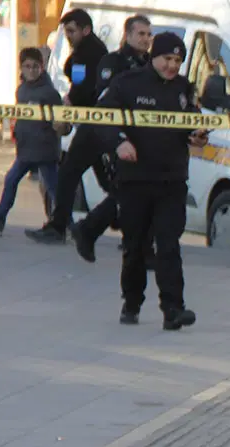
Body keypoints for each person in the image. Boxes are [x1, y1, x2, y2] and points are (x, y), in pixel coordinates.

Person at [97, 33, 210, 331]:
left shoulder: (184, 89)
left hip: (171, 180)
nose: (172, 66)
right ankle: (132, 301)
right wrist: (119, 142)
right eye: (167, 59)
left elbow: (191, 123)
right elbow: (103, 117)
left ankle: (173, 308)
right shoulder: (128, 83)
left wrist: (197, 135)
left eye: (177, 61)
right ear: (154, 57)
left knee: (168, 244)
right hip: (135, 180)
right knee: (135, 246)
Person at [72, 14, 154, 262]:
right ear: (127, 34)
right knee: (131, 191)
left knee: (137, 192)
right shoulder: (114, 61)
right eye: (141, 34)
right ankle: (93, 230)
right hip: (121, 136)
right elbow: (106, 99)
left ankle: (93, 230)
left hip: (147, 137)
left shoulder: (152, 63)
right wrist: (115, 139)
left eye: (149, 35)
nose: (146, 39)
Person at [25, 9, 109, 245]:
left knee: (70, 173)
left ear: (86, 30)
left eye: (72, 31)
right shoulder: (94, 50)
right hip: (98, 124)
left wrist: (69, 101)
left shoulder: (85, 53)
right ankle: (134, 227)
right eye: (66, 31)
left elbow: (81, 88)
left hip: (93, 125)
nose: (68, 36)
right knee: (108, 181)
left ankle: (58, 226)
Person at [0, 48, 62, 236]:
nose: (31, 70)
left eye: (35, 66)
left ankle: (68, 226)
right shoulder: (21, 90)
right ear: (21, 68)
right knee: (12, 180)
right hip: (27, 148)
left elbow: (60, 120)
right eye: (27, 66)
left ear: (42, 67)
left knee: (53, 188)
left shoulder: (49, 93)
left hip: (44, 148)